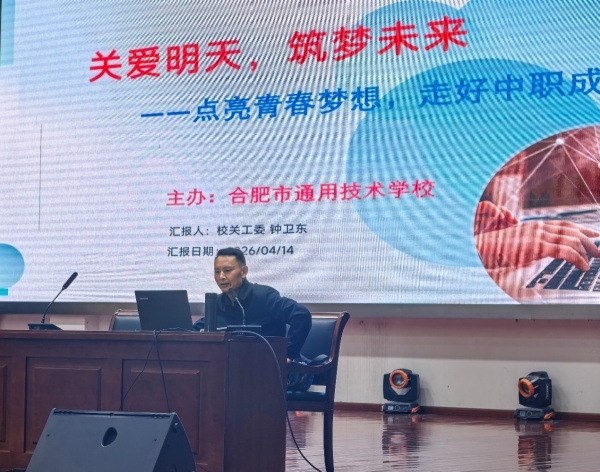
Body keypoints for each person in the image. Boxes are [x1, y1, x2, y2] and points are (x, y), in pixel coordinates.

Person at [194, 247, 312, 362]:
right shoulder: (217, 302)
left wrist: (288, 353)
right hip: (229, 366)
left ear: (243, 272)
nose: (221, 277)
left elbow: (301, 315)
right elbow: (195, 330)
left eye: (227, 270)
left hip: (267, 366)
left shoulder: (264, 297)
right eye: (217, 271)